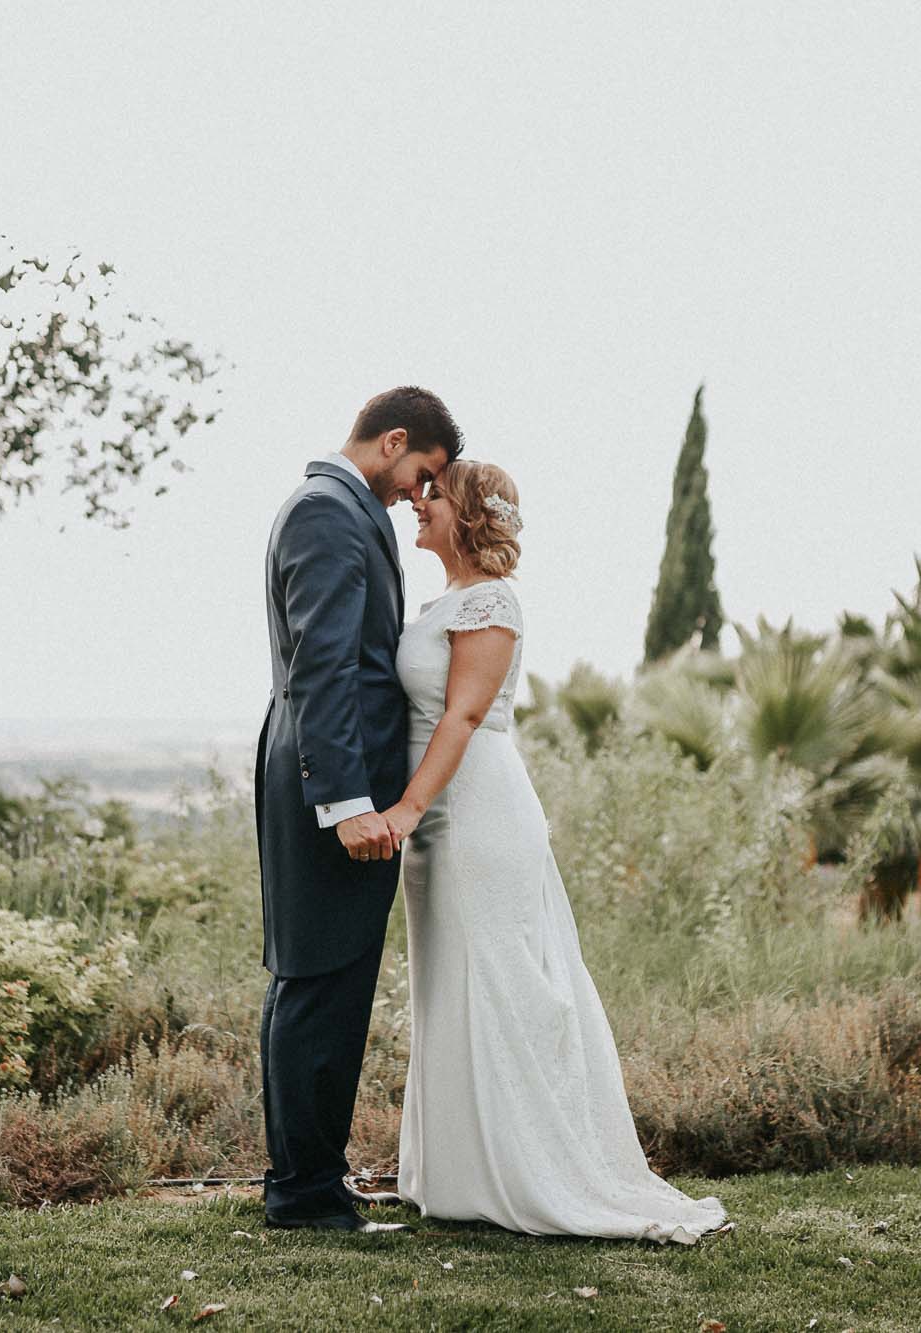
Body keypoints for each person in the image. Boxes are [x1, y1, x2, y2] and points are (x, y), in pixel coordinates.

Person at [384, 459, 728, 1244]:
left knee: (501, 976)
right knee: (449, 977)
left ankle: (536, 1168)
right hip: (439, 815)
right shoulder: (443, 600)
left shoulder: (492, 602)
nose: (417, 505)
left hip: (474, 809)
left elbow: (463, 717)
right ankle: (456, 1171)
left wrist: (406, 807)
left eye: (430, 495)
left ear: (465, 513)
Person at [254, 386, 458, 1232]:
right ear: (394, 440)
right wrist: (345, 802)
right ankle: (304, 1195)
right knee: (319, 985)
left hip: (330, 784)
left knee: (320, 981)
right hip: (331, 792)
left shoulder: (331, 507)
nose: (420, 493)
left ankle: (309, 1180)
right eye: (424, 474)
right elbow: (325, 667)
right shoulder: (329, 513)